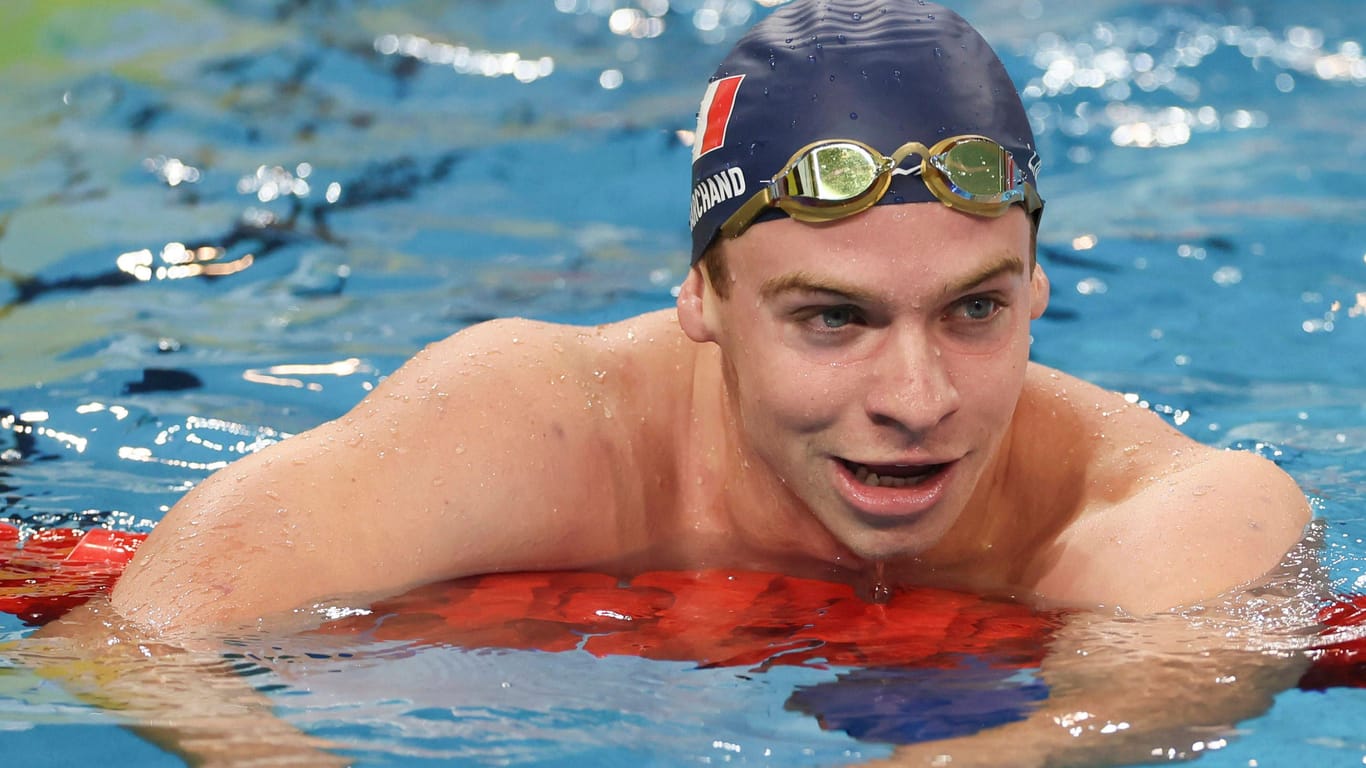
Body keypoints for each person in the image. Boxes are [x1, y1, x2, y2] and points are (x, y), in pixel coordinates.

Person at [39, 1, 1315, 765]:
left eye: (975, 307)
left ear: (1039, 284)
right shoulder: (532, 425)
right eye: (833, 318)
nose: (917, 397)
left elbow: (1167, 688)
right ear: (700, 299)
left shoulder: (1170, 517)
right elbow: (143, 639)